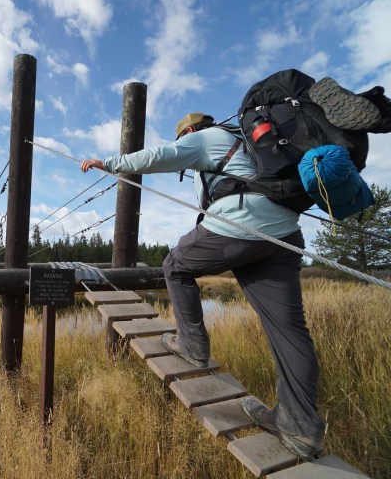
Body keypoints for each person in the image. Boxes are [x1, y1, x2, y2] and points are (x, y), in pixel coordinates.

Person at [79, 112, 325, 461]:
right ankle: (299, 426)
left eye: (183, 138)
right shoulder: (246, 143)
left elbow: (158, 156)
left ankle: (192, 345)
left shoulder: (204, 137)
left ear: (190, 131)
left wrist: (109, 162)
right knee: (289, 330)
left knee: (174, 266)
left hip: (239, 222)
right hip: (283, 233)